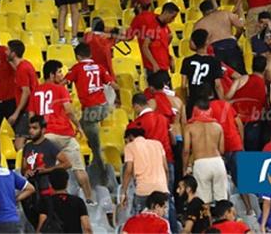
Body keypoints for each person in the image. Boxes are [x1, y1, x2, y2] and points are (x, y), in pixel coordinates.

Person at [29, 60, 95, 205]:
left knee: (47, 171)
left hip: (47, 137)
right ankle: (90, 200)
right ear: (51, 74)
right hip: (65, 135)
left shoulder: (35, 92)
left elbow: (31, 116)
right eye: (59, 72)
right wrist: (79, 126)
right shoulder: (60, 89)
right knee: (79, 168)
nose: (61, 75)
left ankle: (51, 202)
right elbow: (69, 111)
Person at [66, 42, 117, 181]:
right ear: (90, 54)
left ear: (78, 56)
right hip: (103, 107)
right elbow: (113, 84)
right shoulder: (99, 67)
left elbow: (64, 82)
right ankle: (92, 146)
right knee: (82, 124)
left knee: (95, 146)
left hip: (91, 109)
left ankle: (103, 175)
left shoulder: (77, 68)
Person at [183, 99, 227, 203]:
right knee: (222, 201)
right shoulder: (218, 127)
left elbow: (186, 151)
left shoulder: (189, 127)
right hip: (218, 163)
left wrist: (185, 168)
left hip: (201, 164)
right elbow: (222, 150)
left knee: (204, 202)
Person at [121, 126, 168, 214]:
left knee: (141, 220)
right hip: (161, 188)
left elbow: (128, 170)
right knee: (162, 219)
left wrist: (124, 192)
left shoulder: (130, 147)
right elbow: (165, 168)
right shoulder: (158, 144)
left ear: (130, 137)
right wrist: (165, 185)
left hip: (143, 190)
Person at [180, 29, 224, 118]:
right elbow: (218, 85)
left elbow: (183, 86)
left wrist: (185, 101)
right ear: (207, 42)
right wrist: (223, 102)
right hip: (209, 100)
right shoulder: (215, 61)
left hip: (193, 99)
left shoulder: (187, 61)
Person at [37, 169, 92, 233]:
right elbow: (87, 228)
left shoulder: (45, 202)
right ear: (67, 183)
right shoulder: (78, 201)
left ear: (50, 184)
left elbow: (41, 226)